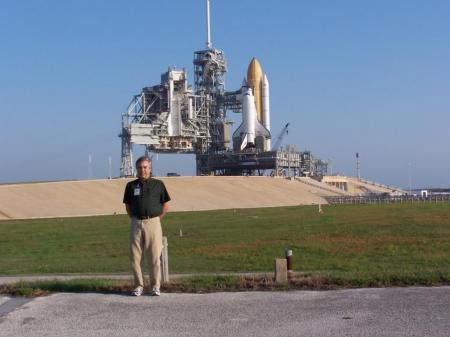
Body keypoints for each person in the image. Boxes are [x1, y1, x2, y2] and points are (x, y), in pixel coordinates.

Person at [123, 156, 171, 296]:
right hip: (136, 223)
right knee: (135, 256)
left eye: (145, 167)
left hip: (153, 223)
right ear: (136, 169)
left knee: (154, 256)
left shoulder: (158, 184)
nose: (142, 170)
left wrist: (156, 220)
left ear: (149, 169)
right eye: (140, 167)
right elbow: (128, 206)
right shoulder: (131, 186)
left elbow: (166, 205)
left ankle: (155, 285)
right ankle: (138, 285)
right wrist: (135, 219)